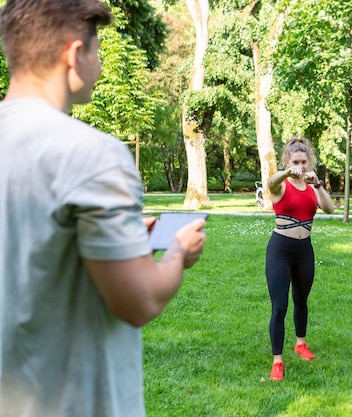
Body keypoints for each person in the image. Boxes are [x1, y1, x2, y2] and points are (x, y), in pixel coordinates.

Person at [0, 1, 206, 416]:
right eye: (97, 51)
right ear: (75, 55)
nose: (98, 62)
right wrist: (178, 251)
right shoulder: (93, 155)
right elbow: (140, 301)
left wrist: (125, 244)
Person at [265, 137, 335, 381]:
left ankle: (301, 344)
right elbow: (270, 182)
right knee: (280, 306)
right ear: (288, 161)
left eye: (304, 162)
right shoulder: (281, 185)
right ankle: (277, 361)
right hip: (280, 251)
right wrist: (286, 172)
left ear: (310, 162)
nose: (300, 166)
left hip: (304, 250)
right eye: (295, 161)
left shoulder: (311, 187)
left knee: (301, 299)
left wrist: (319, 185)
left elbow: (330, 209)